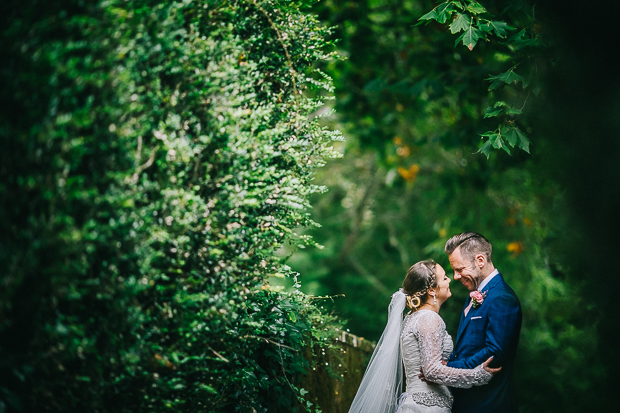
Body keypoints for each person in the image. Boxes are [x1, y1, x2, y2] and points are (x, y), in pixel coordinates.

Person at [348, 260, 500, 413]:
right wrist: (476, 375)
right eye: (444, 278)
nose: (449, 280)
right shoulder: (428, 318)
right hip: (427, 408)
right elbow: (432, 371)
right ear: (432, 291)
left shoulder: (413, 317)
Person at [443, 232, 522, 413]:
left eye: (460, 269)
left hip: (489, 403)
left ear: (480, 260)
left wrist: (447, 369)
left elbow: (495, 352)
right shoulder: (474, 295)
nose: (455, 276)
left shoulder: (502, 298)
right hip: (468, 400)